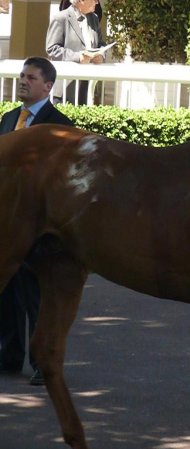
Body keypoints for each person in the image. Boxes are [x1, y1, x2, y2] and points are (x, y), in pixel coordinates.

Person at [0, 57, 74, 386]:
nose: (23, 81)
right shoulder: (8, 119)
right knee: (8, 290)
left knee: (36, 293)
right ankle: (9, 354)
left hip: (42, 222)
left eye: (31, 77)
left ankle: (42, 360)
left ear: (48, 85)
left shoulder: (60, 124)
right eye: (21, 76)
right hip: (7, 220)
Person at [46, 0, 106, 105]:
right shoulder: (60, 18)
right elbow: (52, 49)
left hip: (86, 85)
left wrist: (101, 54)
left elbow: (101, 43)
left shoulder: (94, 19)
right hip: (64, 86)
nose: (97, 3)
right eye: (94, 0)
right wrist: (78, 57)